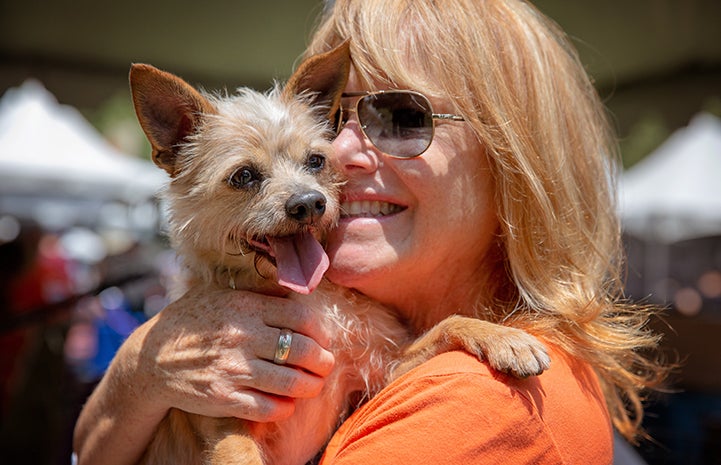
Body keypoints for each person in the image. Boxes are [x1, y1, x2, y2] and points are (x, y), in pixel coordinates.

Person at [73, 0, 668, 463]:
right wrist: (140, 369)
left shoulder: (492, 410)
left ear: (516, 159)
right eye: (337, 116)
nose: (343, 151)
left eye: (404, 118)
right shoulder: (302, 314)